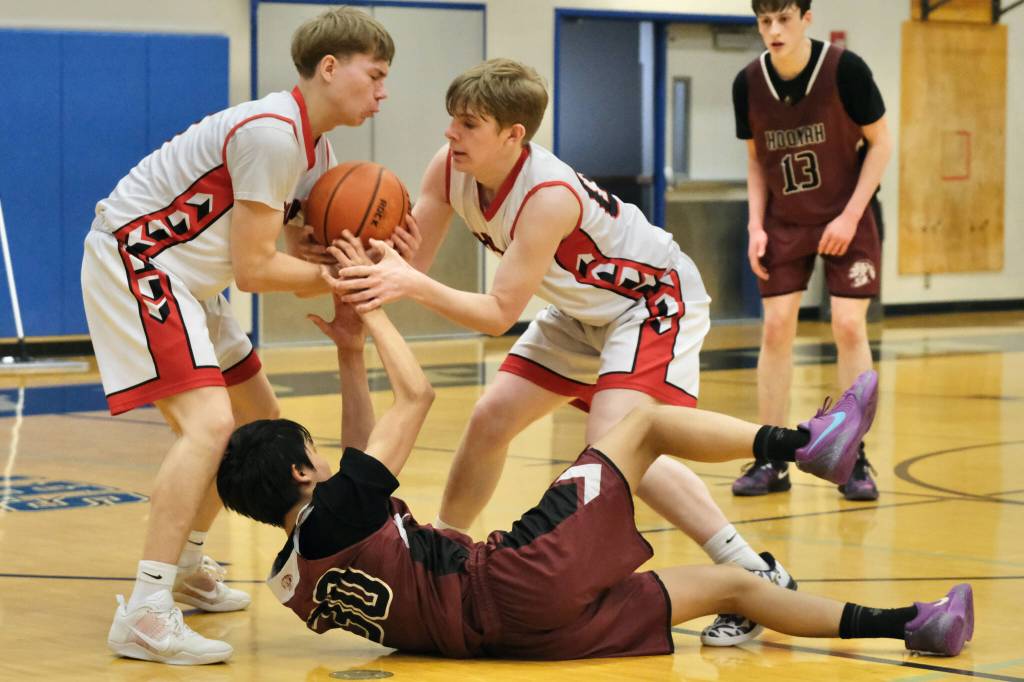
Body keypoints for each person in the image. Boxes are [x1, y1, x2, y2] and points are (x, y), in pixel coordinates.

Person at [216, 244, 974, 661]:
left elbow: (355, 454)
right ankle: (804, 445)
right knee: (637, 426)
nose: (326, 457)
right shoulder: (338, 508)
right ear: (297, 471)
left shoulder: (297, 576)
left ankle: (910, 624)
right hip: (512, 578)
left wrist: (349, 353)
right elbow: (413, 399)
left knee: (732, 589)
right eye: (309, 452)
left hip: (520, 640)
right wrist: (376, 308)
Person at [323, 58, 790, 647]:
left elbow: (496, 313)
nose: (450, 134)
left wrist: (409, 284)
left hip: (647, 301)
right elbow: (409, 266)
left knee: (614, 449)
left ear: (513, 136)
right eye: (452, 120)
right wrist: (361, 265)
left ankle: (754, 570)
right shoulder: (449, 168)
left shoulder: (547, 195)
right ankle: (437, 555)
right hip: (580, 311)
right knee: (491, 418)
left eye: (468, 124)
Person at [83, 7, 409, 665]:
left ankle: (190, 567)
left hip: (191, 279)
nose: (382, 93)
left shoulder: (318, 152)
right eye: (374, 76)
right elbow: (258, 271)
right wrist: (346, 277)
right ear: (329, 67)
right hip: (140, 260)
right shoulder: (273, 134)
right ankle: (146, 610)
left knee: (260, 423)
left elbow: (294, 253)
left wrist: (375, 257)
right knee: (210, 427)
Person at [730, 0, 891, 500]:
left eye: (783, 19)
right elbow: (757, 161)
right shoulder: (748, 82)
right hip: (784, 219)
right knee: (776, 328)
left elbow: (881, 144)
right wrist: (755, 224)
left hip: (848, 212)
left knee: (847, 325)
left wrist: (849, 216)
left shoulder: (847, 69)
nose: (774, 31)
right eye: (764, 21)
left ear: (806, 18)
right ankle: (770, 458)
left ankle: (855, 457)